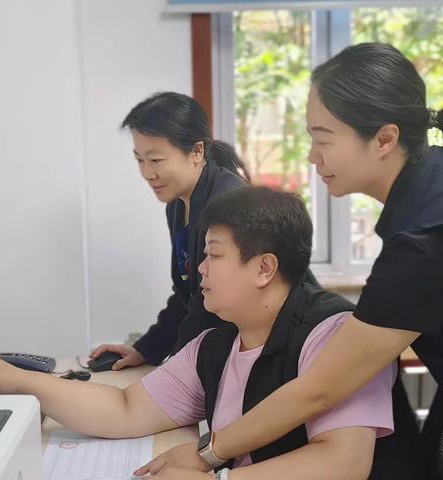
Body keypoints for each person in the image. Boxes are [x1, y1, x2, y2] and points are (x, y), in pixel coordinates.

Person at [148, 42, 443, 479]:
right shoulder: (426, 196)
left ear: (385, 138)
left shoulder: (422, 239)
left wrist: (211, 458)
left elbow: (321, 389)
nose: (311, 156)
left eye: (323, 139)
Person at [0, 187, 399, 480]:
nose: (200, 270)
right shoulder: (218, 342)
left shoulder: (335, 334)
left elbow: (344, 461)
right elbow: (125, 407)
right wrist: (18, 380)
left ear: (264, 268)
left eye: (213, 255)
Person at [91, 91, 319, 369]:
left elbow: (211, 309)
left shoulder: (228, 204)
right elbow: (188, 295)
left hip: (297, 343)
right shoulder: (177, 205)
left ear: (197, 151)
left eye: (156, 160)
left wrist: (172, 372)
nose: (148, 173)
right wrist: (145, 350)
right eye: (140, 160)